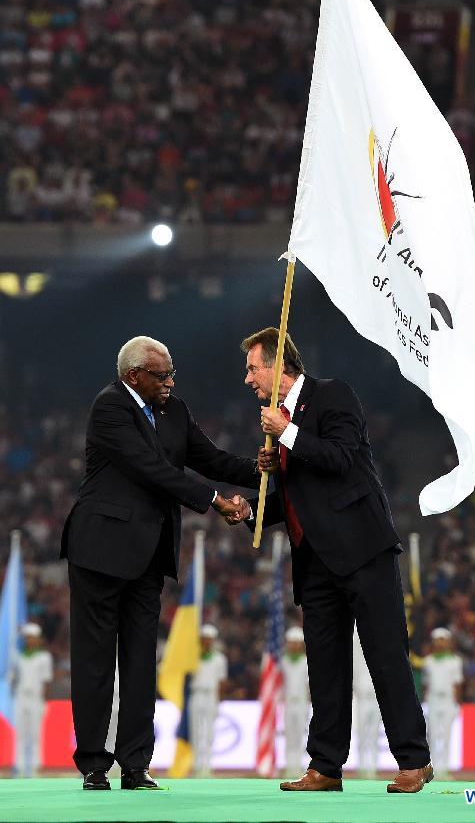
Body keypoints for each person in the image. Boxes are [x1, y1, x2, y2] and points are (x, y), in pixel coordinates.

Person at [231, 327, 431, 794]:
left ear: (279, 365)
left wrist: (288, 434)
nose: (248, 379)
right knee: (324, 665)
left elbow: (340, 458)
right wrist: (250, 510)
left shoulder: (332, 395)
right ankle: (325, 766)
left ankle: (414, 760)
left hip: (362, 549)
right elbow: (299, 497)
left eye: (253, 368)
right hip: (313, 559)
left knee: (385, 654)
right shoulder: (278, 422)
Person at [60, 335, 256, 791]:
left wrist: (261, 466)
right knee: (95, 660)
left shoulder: (174, 410)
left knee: (141, 661)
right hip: (100, 550)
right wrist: (213, 500)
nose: (170, 383)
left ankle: (136, 764)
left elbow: (211, 458)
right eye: (162, 375)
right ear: (134, 376)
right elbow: (151, 468)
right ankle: (93, 764)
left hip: (150, 554)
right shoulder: (110, 407)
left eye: (172, 374)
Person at [13, 623, 53, 777]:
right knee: (20, 733)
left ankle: (36, 764)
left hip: (36, 698)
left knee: (35, 733)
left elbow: (46, 681)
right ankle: (19, 765)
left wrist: (44, 701)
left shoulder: (44, 657)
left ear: (38, 639)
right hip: (20, 697)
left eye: (33, 638)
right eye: (27, 638)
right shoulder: (18, 656)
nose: (30, 640)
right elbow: (15, 678)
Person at [423, 628, 462, 779]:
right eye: (437, 640)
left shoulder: (455, 661)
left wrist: (456, 703)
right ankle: (432, 769)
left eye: (443, 640)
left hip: (447, 700)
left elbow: (457, 684)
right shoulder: (428, 661)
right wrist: (426, 701)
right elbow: (425, 684)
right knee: (432, 735)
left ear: (448, 642)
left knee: (446, 735)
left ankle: (444, 769)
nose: (440, 643)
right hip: (433, 700)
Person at [189, 624, 228, 776]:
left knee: (209, 732)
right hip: (197, 694)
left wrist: (219, 699)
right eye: (204, 639)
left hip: (211, 695)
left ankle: (208, 765)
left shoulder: (219, 659)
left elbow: (222, 682)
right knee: (196, 731)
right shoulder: (192, 657)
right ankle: (196, 765)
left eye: (209, 639)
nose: (207, 642)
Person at [353, 624, 382, 778]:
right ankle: (362, 766)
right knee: (363, 732)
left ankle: (373, 767)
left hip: (377, 695)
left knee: (374, 733)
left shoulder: (379, 643)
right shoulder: (355, 644)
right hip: (362, 695)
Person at [282, 626, 310, 778]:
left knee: (299, 735)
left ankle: (298, 766)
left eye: (296, 643)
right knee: (289, 735)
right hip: (288, 703)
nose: (294, 645)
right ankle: (289, 766)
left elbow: (309, 685)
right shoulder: (283, 661)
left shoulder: (306, 662)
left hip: (301, 703)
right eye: (291, 642)